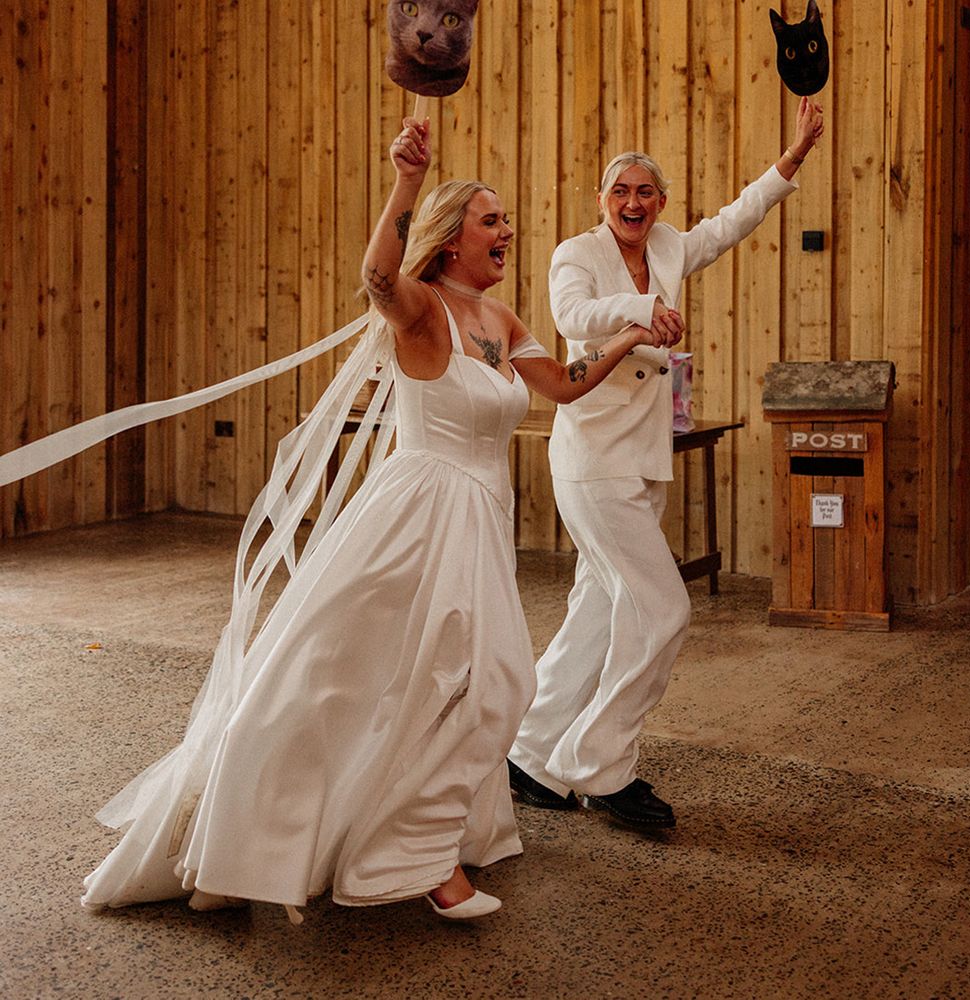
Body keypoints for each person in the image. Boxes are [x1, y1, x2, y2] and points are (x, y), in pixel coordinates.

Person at [79, 116, 671, 922]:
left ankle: (378, 836)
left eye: (505, 220)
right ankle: (417, 861)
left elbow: (564, 386)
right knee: (364, 676)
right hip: (417, 514)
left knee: (488, 682)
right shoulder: (422, 309)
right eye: (491, 221)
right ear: (452, 240)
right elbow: (376, 277)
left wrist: (631, 334)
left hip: (479, 516)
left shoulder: (502, 321)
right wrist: (406, 181)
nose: (507, 232)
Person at [507, 96, 825, 828]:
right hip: (593, 459)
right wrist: (642, 311)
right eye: (620, 191)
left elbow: (733, 220)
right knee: (663, 607)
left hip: (644, 457)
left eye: (645, 192)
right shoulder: (576, 254)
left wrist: (794, 157)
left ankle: (531, 754)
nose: (633, 202)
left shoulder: (671, 246)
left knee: (598, 607)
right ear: (602, 200)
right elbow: (571, 317)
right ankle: (602, 765)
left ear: (660, 202)